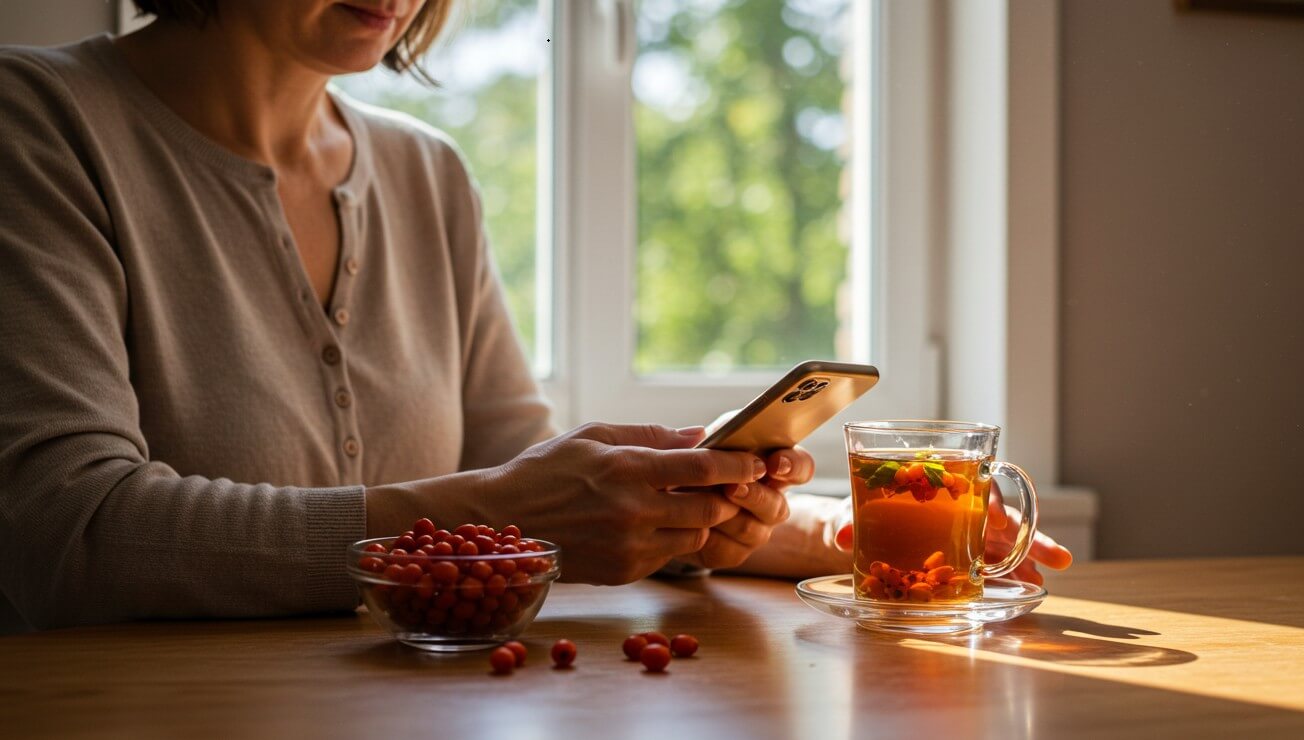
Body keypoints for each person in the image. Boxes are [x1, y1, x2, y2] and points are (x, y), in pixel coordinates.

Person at [0, 0, 1070, 632]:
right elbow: (66, 531)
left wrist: (819, 527)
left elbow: (520, 469)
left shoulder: (426, 172)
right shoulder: (38, 124)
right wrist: (518, 507)